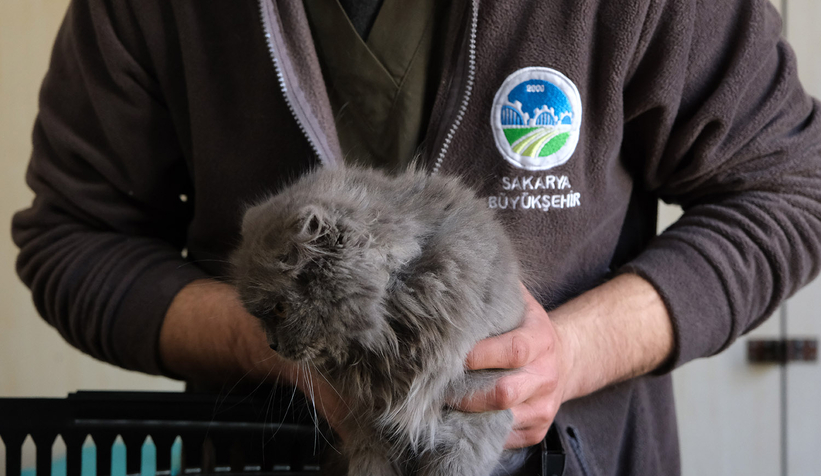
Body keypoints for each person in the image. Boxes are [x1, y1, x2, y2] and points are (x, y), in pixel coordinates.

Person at [12, 0, 821, 474]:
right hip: (266, 450)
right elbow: (73, 235)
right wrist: (278, 345)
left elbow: (790, 189)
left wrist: (566, 357)